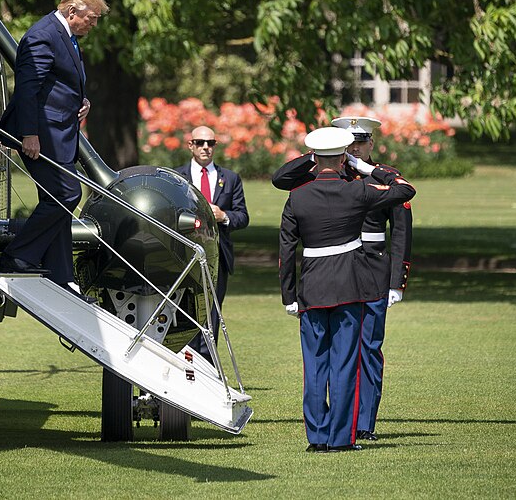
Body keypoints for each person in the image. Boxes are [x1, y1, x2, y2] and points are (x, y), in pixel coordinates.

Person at [275, 126, 415, 453]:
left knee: (315, 366)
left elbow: (286, 251)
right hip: (350, 287)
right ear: (343, 158)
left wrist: (288, 295)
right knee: (344, 365)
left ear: (315, 158)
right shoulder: (358, 190)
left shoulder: (298, 195)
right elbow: (405, 189)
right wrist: (370, 169)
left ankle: (317, 438)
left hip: (312, 288)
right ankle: (340, 438)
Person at [0, 0, 108, 299]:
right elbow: (28, 89)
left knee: (57, 202)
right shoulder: (42, 36)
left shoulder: (65, 35)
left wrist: (81, 102)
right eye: (91, 18)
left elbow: (58, 83)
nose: (93, 24)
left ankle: (61, 275)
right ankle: (17, 257)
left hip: (59, 133)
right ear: (72, 11)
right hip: (42, 136)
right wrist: (29, 134)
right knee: (67, 194)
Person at [332, 116, 413, 441]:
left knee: (369, 347)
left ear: (371, 144)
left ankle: (364, 422)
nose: (355, 148)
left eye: (361, 142)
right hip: (338, 267)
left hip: (373, 268)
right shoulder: (331, 175)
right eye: (349, 143)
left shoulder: (385, 176)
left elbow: (401, 231)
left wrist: (396, 281)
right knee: (340, 347)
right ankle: (341, 420)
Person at [174, 125, 249, 360]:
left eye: (210, 143)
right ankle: (185, 365)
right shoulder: (177, 177)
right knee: (185, 313)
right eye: (200, 143)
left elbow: (243, 216)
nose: (205, 147)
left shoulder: (230, 178)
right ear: (191, 145)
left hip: (217, 256)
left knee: (212, 315)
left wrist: (223, 216)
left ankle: (208, 367)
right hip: (183, 256)